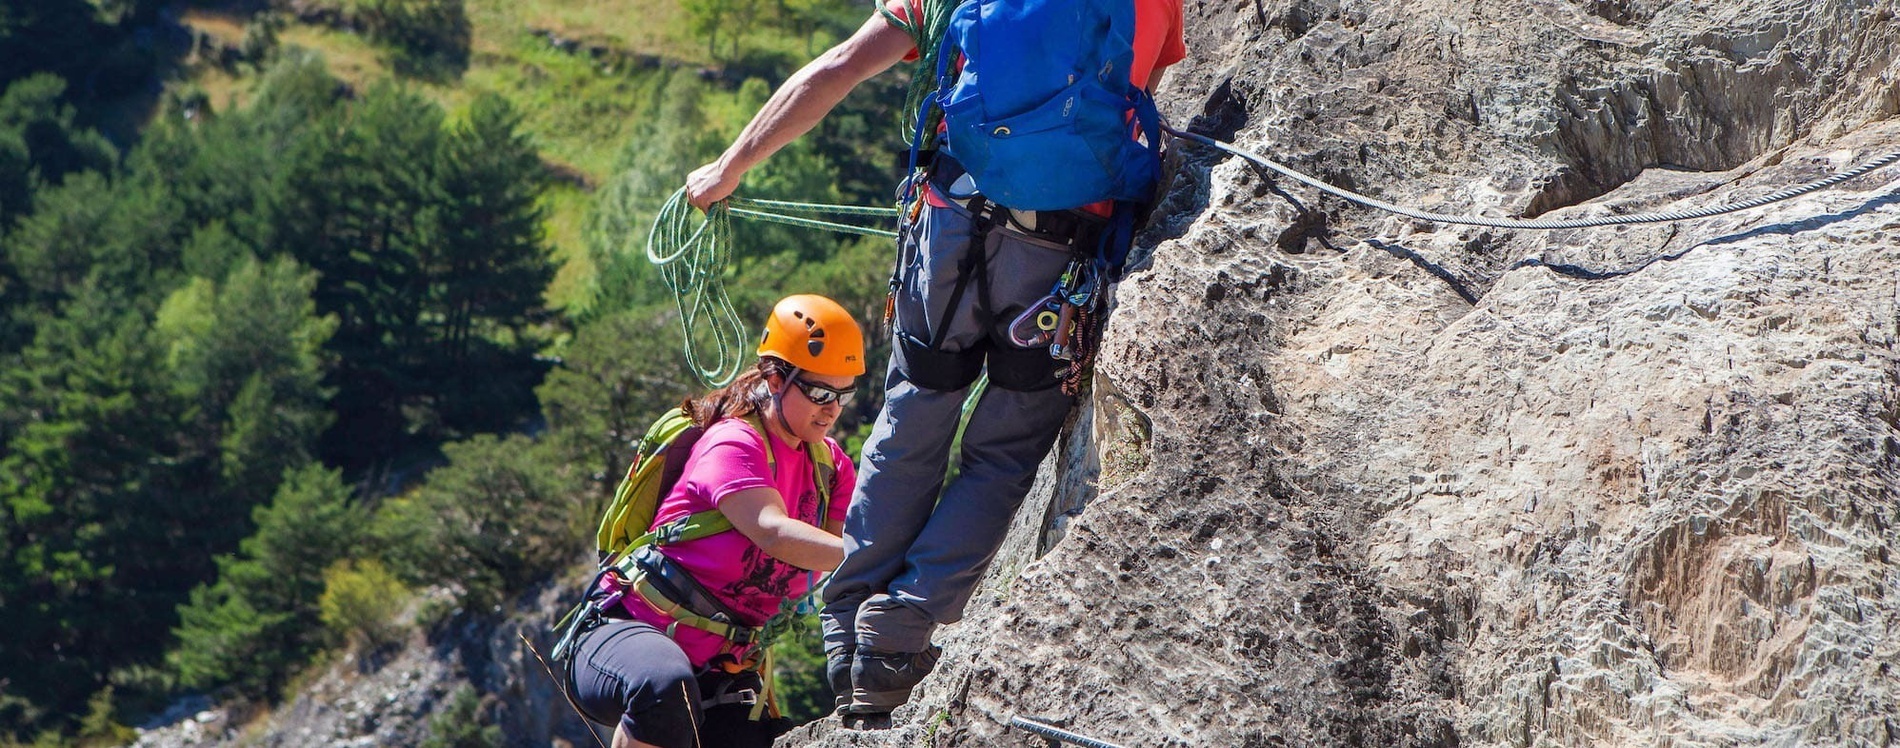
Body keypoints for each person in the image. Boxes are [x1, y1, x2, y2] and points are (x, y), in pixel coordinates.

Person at [685, 0, 1187, 719]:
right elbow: (1132, 109)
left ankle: (847, 617)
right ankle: (897, 634)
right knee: (1003, 455)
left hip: (948, 225)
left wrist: (730, 167)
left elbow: (838, 68)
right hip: (1056, 253)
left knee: (915, 410)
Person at [563, 295, 866, 748]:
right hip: (626, 633)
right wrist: (879, 552)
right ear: (776, 378)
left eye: (844, 395)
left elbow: (856, 540)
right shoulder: (734, 442)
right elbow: (772, 530)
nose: (833, 409)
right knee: (663, 688)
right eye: (821, 393)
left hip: (721, 669)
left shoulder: (830, 469)